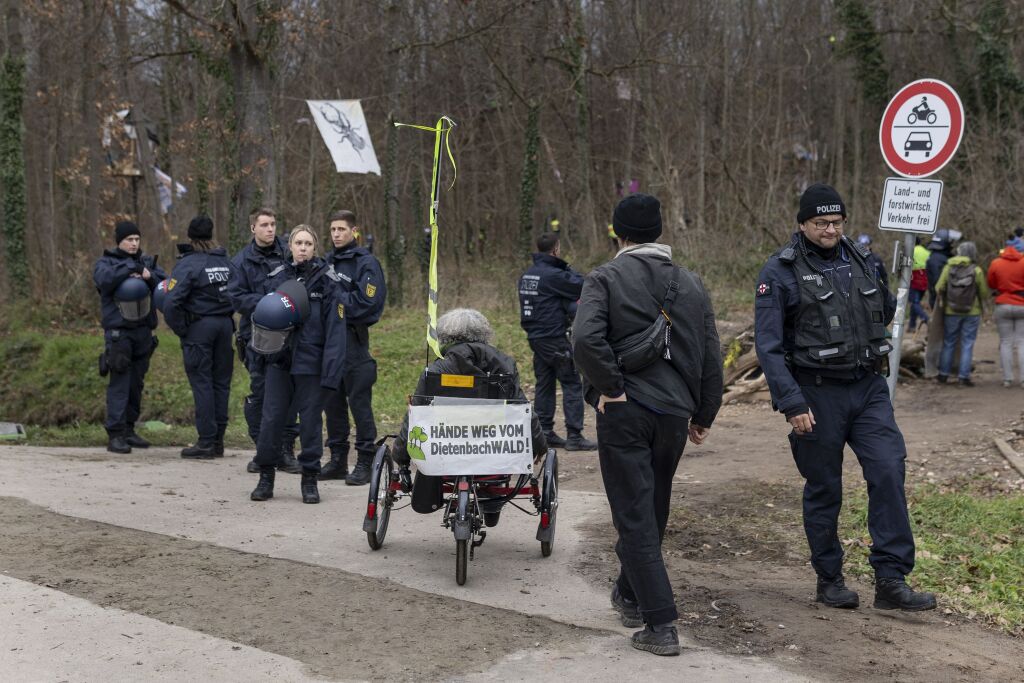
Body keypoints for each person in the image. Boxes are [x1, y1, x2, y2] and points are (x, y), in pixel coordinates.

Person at [754, 183, 936, 615]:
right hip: (816, 393)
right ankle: (829, 579)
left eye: (836, 222)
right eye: (821, 223)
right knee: (825, 488)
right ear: (802, 224)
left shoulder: (862, 259)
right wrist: (792, 402)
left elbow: (886, 308)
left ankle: (891, 579)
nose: (830, 229)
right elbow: (769, 345)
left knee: (889, 469)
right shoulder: (779, 271)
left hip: (868, 388)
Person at [572, 194, 723, 657]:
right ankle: (630, 595)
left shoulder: (605, 277)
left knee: (635, 515)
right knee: (652, 509)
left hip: (627, 411)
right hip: (675, 415)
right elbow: (711, 354)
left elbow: (583, 338)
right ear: (659, 231)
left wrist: (610, 388)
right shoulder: (693, 284)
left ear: (617, 232)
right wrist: (703, 414)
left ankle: (661, 624)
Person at [391, 309, 548, 507]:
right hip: (493, 446)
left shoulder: (436, 370)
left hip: (445, 445)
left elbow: (416, 414)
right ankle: (491, 502)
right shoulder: (505, 365)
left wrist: (401, 457)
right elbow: (522, 409)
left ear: (445, 336)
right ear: (484, 333)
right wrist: (539, 445)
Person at [249, 225, 346, 504]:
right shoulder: (276, 278)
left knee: (311, 424)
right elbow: (261, 320)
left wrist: (331, 374)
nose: (302, 248)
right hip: (279, 362)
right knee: (271, 421)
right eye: (297, 243)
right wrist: (257, 358)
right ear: (289, 246)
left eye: (308, 243)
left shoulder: (328, 281)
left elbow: (336, 332)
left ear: (315, 247)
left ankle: (309, 479)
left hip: (311, 365)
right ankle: (266, 476)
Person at [228, 207, 301, 474]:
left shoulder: (289, 252)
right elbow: (236, 298)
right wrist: (269, 304)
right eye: (264, 225)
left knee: (288, 396)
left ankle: (286, 450)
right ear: (253, 228)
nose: (270, 229)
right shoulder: (241, 262)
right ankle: (263, 449)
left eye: (273, 224)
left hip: (288, 337)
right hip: (256, 338)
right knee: (260, 394)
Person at [320, 210, 387, 485]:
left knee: (359, 402)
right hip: (327, 342)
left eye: (341, 229)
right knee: (331, 402)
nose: (336, 234)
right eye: (333, 229)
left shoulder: (366, 263)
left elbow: (368, 304)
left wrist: (335, 303)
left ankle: (365, 460)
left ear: (354, 231)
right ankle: (337, 459)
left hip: (353, 342)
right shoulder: (324, 262)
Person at [162, 216, 236, 458]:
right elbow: (237, 292)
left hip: (200, 328)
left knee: (202, 383)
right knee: (221, 384)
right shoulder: (225, 262)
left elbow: (171, 302)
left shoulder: (189, 264)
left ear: (190, 237)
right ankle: (218, 441)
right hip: (225, 326)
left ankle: (206, 441)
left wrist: (182, 329)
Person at [517, 232, 597, 451]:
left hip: (536, 338)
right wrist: (565, 267)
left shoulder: (528, 275)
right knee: (571, 383)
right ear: (556, 249)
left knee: (544, 383)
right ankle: (574, 436)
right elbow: (583, 285)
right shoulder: (554, 276)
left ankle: (544, 432)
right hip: (554, 338)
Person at [93, 221, 165, 454]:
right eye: (129, 240)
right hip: (119, 334)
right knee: (120, 382)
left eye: (136, 239)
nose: (134, 243)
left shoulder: (146, 263)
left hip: (143, 331)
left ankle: (129, 429)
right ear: (119, 241)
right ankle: (115, 434)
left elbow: (166, 286)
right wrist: (127, 269)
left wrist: (148, 275)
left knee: (136, 384)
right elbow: (103, 281)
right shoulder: (107, 263)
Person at [935, 242, 990, 386]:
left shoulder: (948, 268)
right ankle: (963, 377)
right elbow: (984, 292)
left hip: (951, 311)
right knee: (967, 344)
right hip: (972, 312)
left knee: (949, 342)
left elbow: (938, 287)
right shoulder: (976, 270)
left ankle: (943, 375)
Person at [987, 238, 1024, 388]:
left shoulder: (996, 263)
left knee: (1006, 342)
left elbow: (991, 283)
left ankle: (1007, 379)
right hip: (1022, 304)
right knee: (1022, 342)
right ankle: (1023, 379)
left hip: (1002, 303)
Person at [909, 238, 930, 333]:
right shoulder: (926, 251)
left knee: (914, 302)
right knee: (915, 303)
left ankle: (926, 318)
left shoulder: (910, 251)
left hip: (914, 278)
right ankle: (911, 326)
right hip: (925, 279)